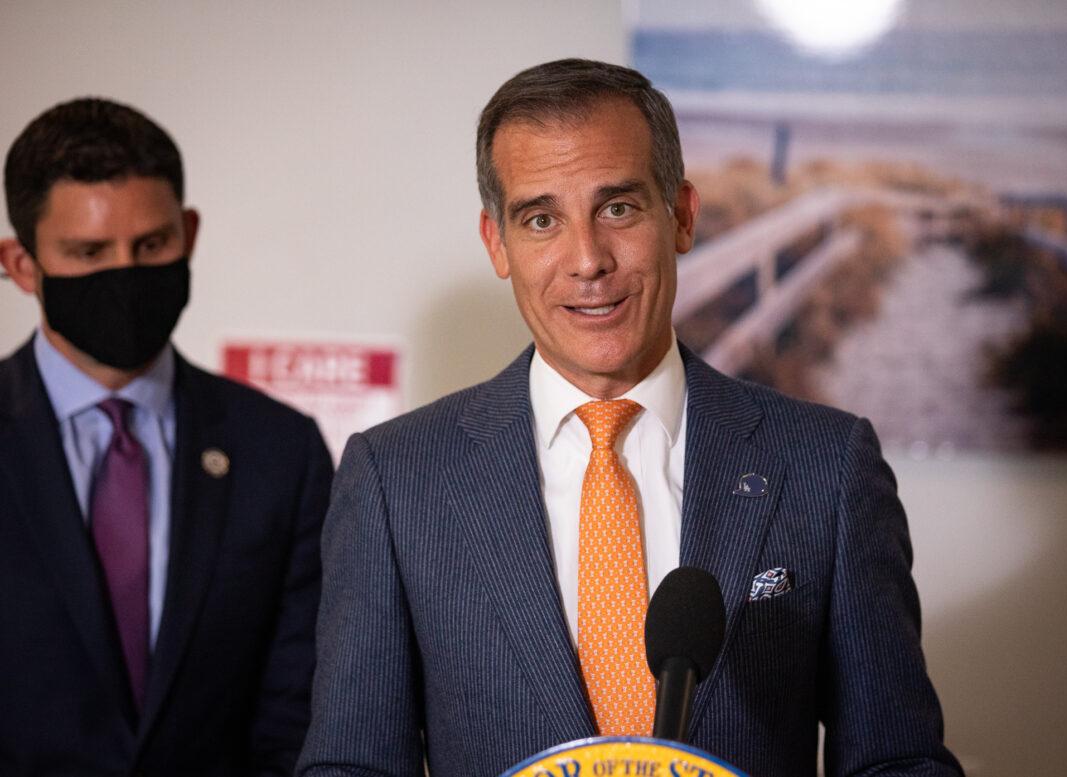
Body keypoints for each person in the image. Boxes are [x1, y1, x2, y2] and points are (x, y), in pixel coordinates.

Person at [299, 59, 962, 777]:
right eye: (542, 218)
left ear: (680, 215)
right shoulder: (396, 480)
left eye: (618, 208)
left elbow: (898, 762)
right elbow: (351, 766)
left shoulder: (826, 466)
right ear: (497, 243)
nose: (587, 260)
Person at [0, 98, 332, 776]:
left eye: (151, 245)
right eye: (89, 252)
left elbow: (298, 715)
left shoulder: (280, 451)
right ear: (22, 264)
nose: (125, 273)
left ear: (188, 232)